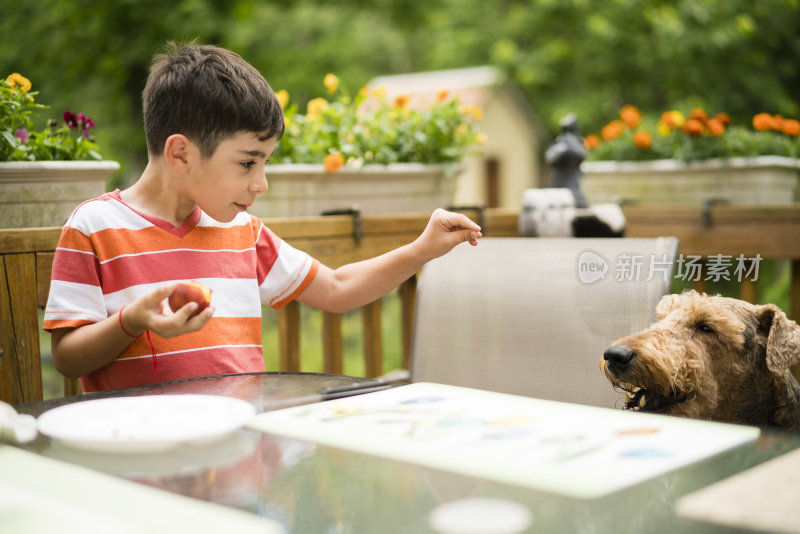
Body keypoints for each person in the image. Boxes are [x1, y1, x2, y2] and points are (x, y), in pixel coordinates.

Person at [43, 42, 482, 393]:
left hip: (239, 453)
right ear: (181, 153)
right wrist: (131, 321)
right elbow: (67, 357)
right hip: (143, 459)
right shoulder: (93, 227)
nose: (261, 183)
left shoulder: (242, 232)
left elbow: (337, 289)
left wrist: (422, 250)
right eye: (248, 163)